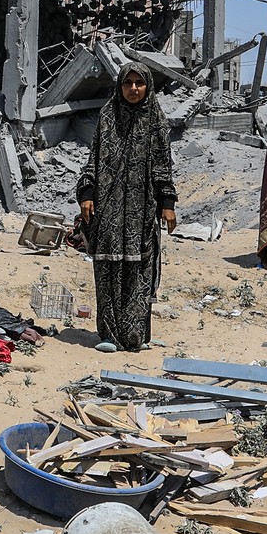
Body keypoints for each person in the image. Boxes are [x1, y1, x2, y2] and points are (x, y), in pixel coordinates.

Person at [77, 65, 176, 352]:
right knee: (107, 270)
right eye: (128, 83)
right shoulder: (108, 116)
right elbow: (93, 159)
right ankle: (108, 335)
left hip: (141, 210)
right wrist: (87, 193)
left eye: (139, 84)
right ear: (120, 86)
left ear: (148, 87)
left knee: (139, 269)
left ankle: (134, 337)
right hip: (108, 210)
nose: (133, 89)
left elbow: (163, 165)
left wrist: (167, 203)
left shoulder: (156, 120)